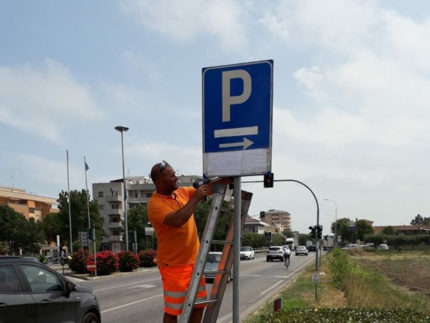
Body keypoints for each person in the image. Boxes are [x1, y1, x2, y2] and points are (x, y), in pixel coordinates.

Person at [148, 160, 230, 323]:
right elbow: (177, 220)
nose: (176, 178)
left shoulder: (181, 193)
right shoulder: (155, 204)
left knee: (198, 305)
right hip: (174, 266)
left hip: (194, 263)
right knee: (173, 310)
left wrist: (228, 177)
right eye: (171, 176)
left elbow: (208, 188)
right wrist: (196, 198)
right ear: (159, 181)